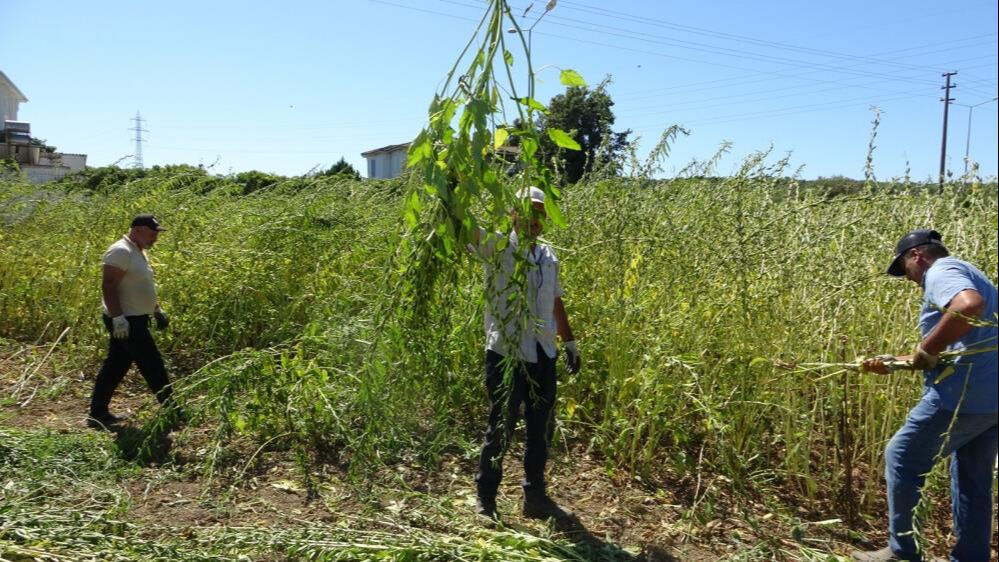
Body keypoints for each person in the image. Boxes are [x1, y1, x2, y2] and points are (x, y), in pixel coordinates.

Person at [853, 229, 997, 562]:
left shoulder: (941, 271)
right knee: (973, 476)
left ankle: (903, 552)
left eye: (904, 269)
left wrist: (926, 347)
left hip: (962, 396)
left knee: (902, 458)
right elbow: (964, 345)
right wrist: (895, 363)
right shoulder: (971, 271)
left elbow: (967, 305)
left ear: (916, 256)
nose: (908, 279)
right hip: (992, 397)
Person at [470, 186, 582, 524]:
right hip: (506, 353)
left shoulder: (549, 255)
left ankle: (534, 496)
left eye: (540, 212)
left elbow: (556, 301)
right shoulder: (498, 247)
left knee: (540, 428)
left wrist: (570, 342)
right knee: (500, 427)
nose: (535, 218)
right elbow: (463, 229)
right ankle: (486, 501)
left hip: (543, 352)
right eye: (527, 211)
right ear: (513, 214)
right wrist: (454, 188)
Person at [87, 214, 177, 429]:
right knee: (152, 363)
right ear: (136, 229)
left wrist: (156, 309)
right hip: (126, 320)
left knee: (115, 366)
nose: (155, 236)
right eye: (152, 232)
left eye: (157, 232)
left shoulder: (138, 251)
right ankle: (172, 409)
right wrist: (118, 318)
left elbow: (138, 286)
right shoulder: (121, 251)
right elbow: (108, 285)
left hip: (135, 317)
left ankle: (97, 413)